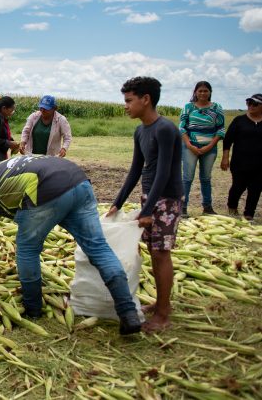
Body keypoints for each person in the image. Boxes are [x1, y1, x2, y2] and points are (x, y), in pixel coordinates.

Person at [0, 156, 141, 336]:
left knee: (27, 249)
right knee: (98, 248)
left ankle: (33, 308)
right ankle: (128, 312)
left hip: (48, 191)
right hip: (79, 181)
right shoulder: (6, 167)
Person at [107, 77, 182, 334]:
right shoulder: (140, 131)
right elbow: (136, 170)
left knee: (161, 254)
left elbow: (163, 173)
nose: (125, 106)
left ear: (145, 99)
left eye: (129, 101)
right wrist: (117, 203)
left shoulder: (165, 129)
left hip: (167, 199)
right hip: (150, 197)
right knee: (153, 251)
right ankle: (161, 303)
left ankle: (163, 313)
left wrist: (149, 211)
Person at [179, 81, 225, 216]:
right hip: (190, 147)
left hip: (210, 148)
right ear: (195, 92)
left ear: (210, 92)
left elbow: (221, 129)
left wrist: (210, 145)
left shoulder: (216, 108)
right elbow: (181, 127)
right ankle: (182, 207)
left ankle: (207, 207)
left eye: (206, 91)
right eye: (200, 91)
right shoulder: (188, 107)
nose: (203, 93)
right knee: (187, 178)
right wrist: (189, 145)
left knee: (205, 178)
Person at [221, 93, 262, 221]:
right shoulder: (239, 120)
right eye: (249, 102)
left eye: (255, 104)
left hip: (260, 164)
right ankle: (232, 208)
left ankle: (249, 213)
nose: (251, 106)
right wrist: (225, 157)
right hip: (240, 162)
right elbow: (227, 140)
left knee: (256, 189)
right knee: (238, 187)